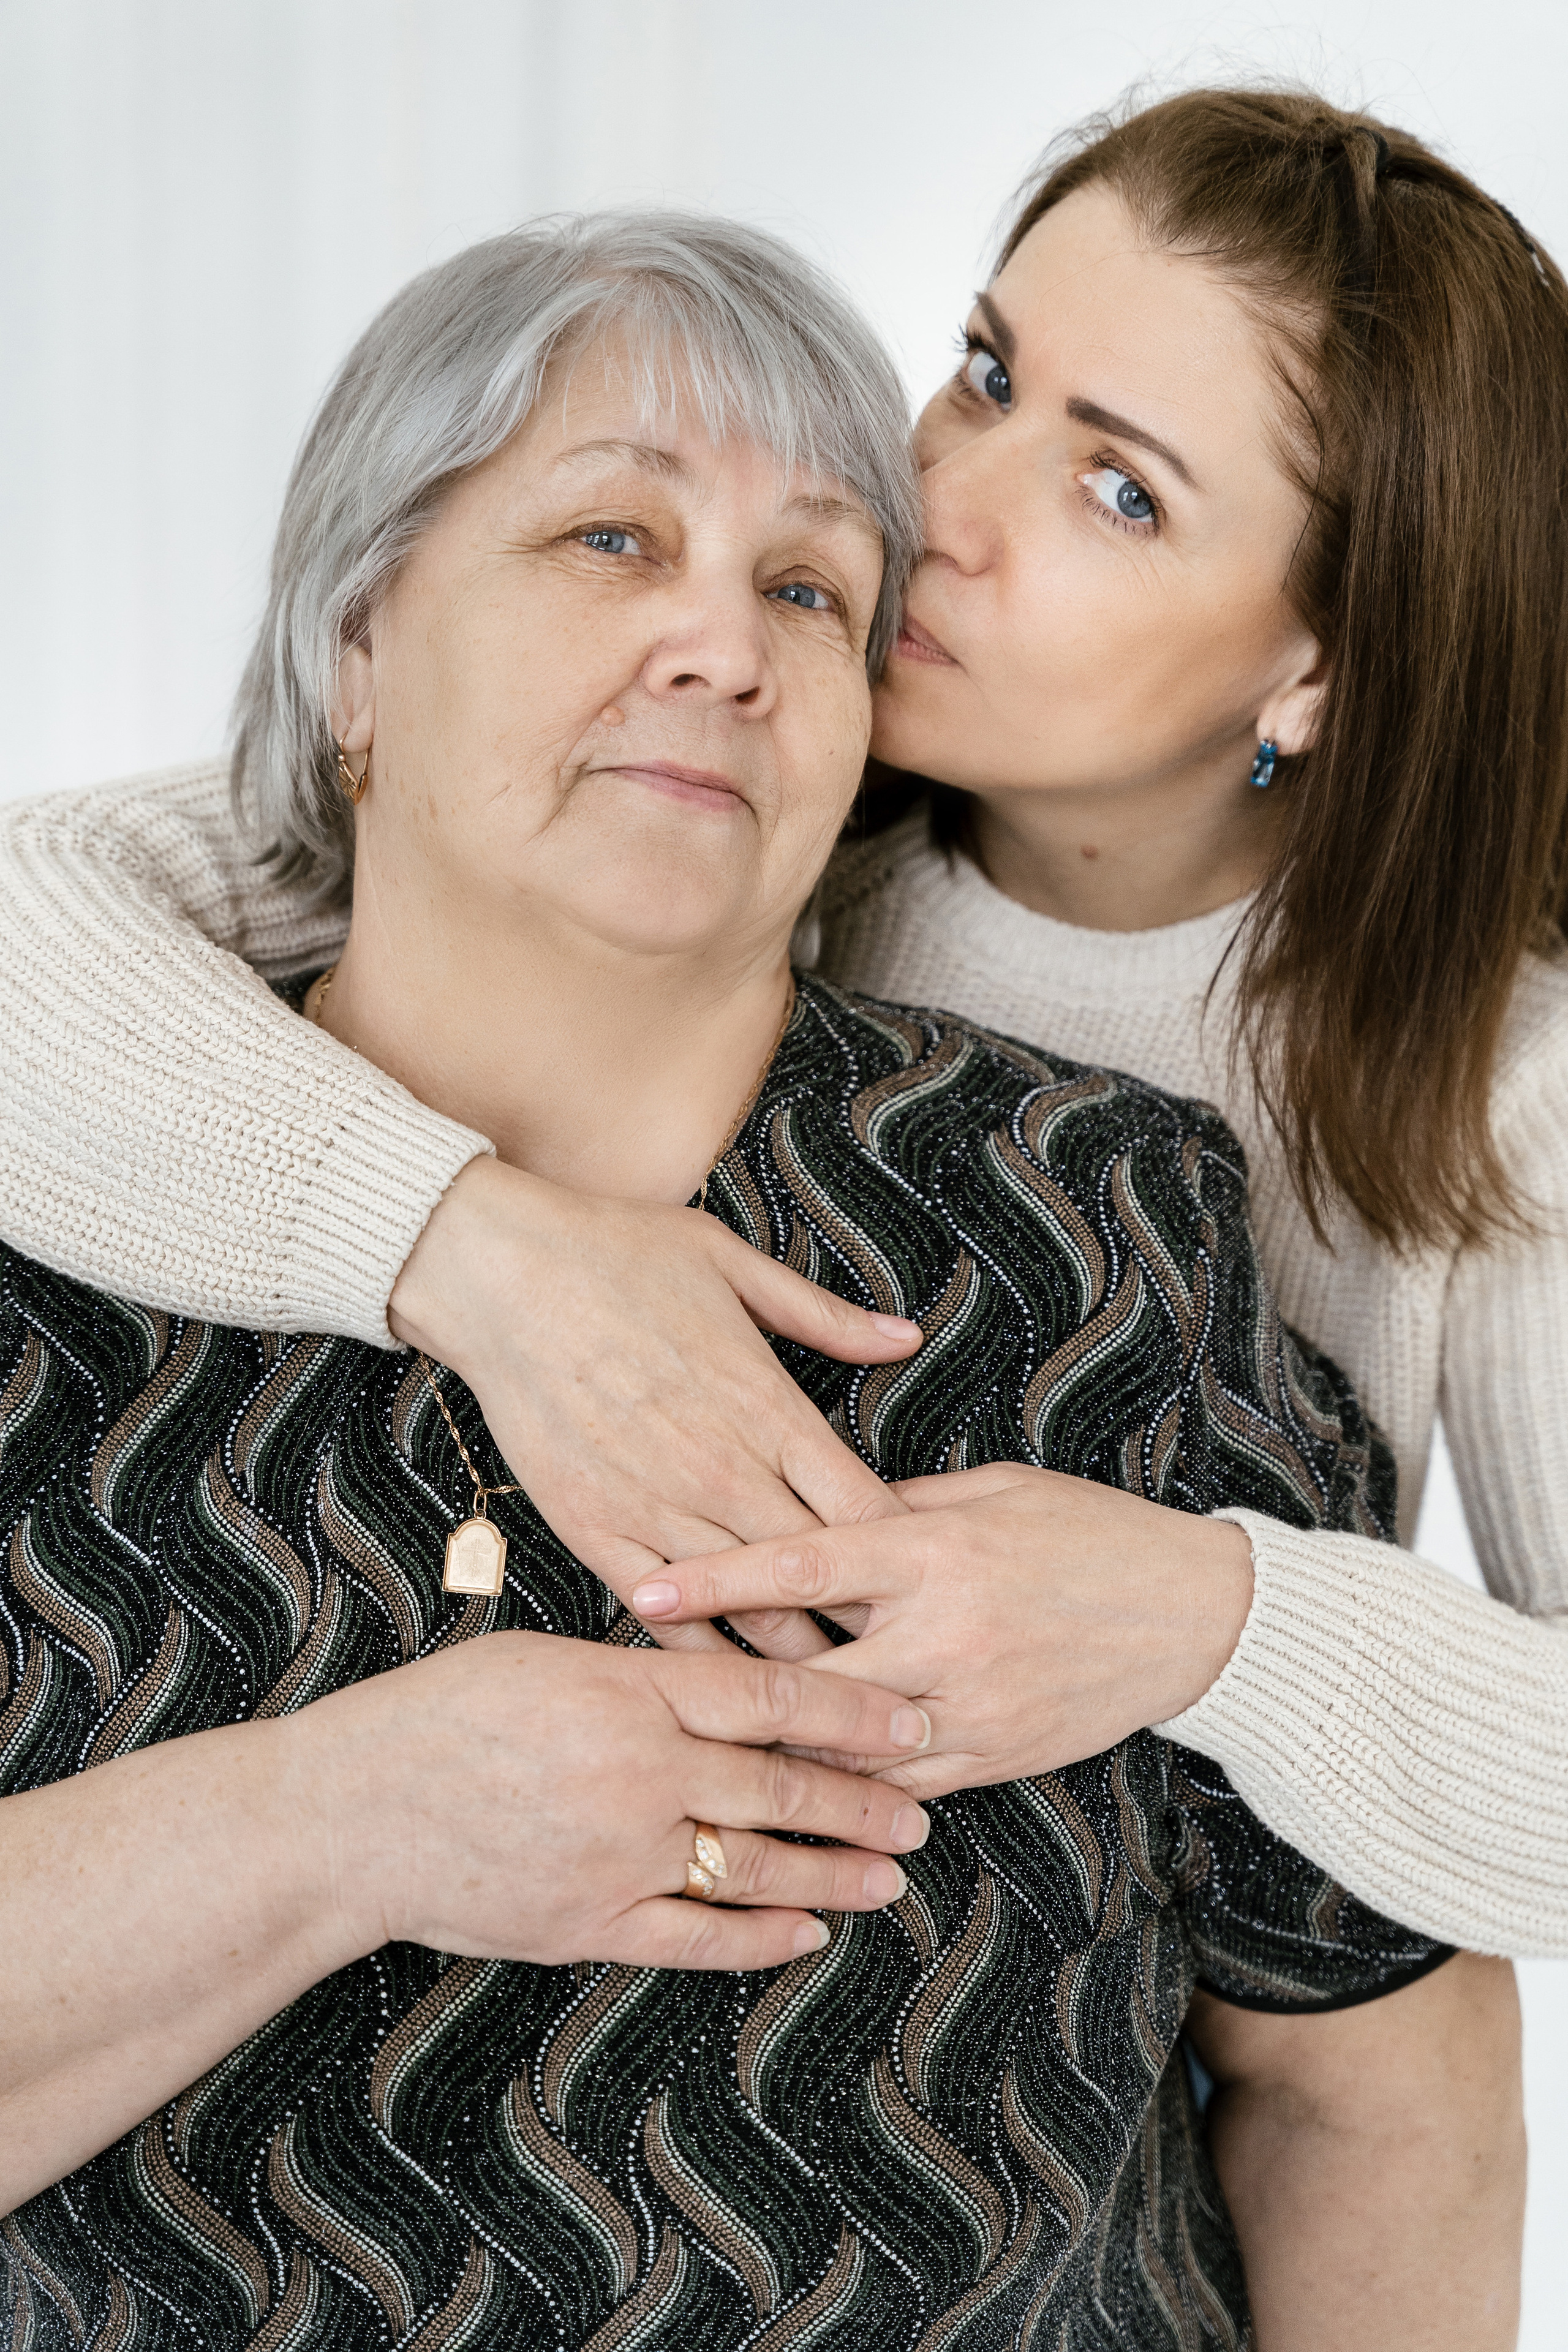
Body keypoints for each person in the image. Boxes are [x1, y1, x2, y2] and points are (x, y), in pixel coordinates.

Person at [0, 215, 1520, 2350]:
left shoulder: (1112, 1238)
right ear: (353, 648)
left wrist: (1219, 1613)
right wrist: (341, 1819)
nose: (723, 645)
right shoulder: (47, 1196)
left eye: (810, 587)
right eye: (613, 540)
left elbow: (1377, 2088)